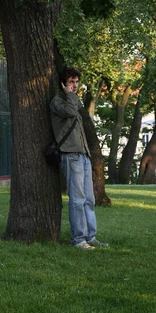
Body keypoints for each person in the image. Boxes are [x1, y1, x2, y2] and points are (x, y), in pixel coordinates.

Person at [50, 66, 108, 250]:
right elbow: (69, 112)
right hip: (70, 155)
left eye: (76, 82)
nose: (74, 86)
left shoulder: (73, 100)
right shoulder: (58, 101)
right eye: (71, 82)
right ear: (63, 84)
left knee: (89, 199)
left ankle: (91, 236)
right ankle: (79, 239)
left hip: (83, 155)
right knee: (77, 199)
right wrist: (70, 95)